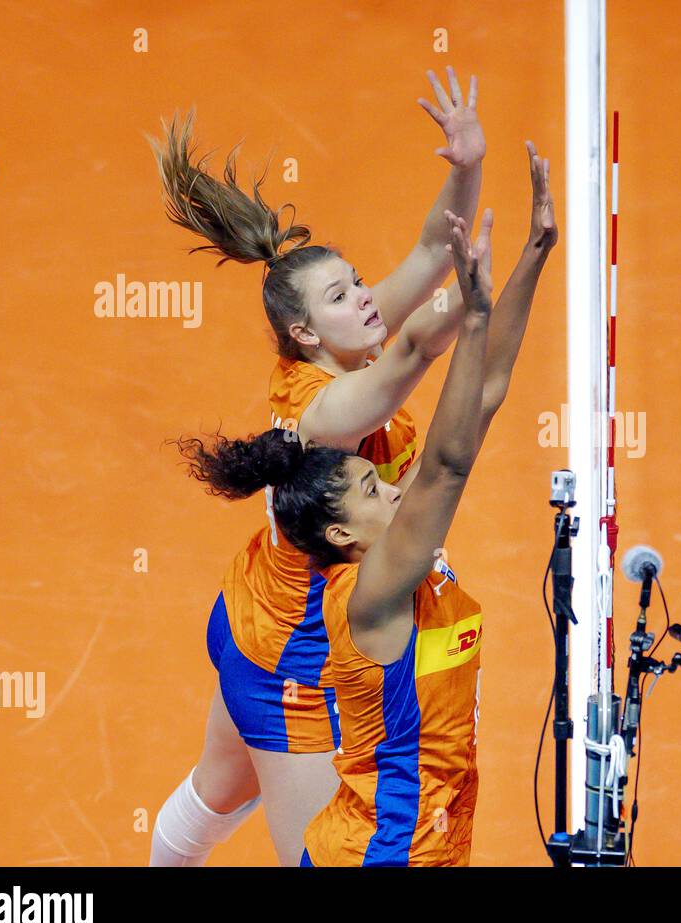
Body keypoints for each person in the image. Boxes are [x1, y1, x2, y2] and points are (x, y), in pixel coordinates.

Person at [146, 68, 491, 866]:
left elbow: (431, 250)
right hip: (296, 661)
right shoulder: (325, 411)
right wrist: (476, 306)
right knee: (317, 854)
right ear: (304, 334)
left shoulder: (346, 342)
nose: (366, 300)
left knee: (215, 791)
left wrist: (466, 166)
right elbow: (409, 351)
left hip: (253, 613)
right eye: (342, 296)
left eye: (358, 284)